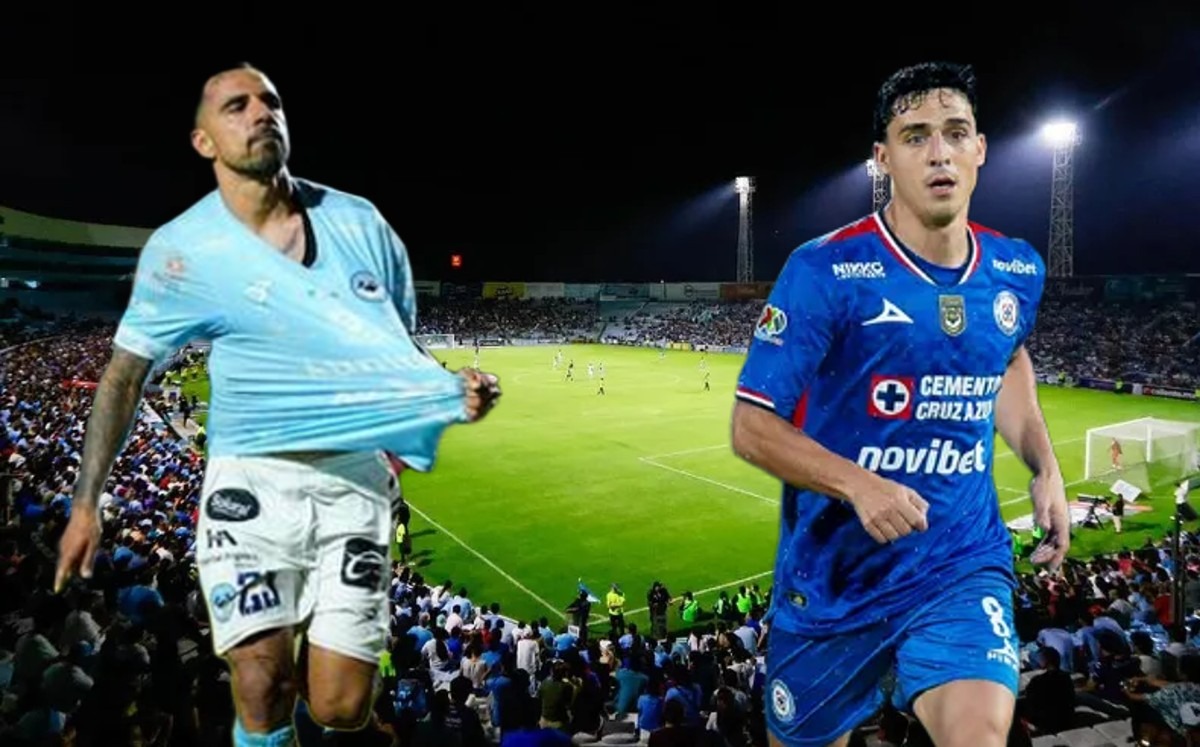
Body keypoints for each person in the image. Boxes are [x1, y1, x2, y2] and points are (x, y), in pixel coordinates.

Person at [53, 63, 501, 746]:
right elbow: (121, 376)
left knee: (341, 703)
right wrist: (88, 500)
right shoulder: (181, 250)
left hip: (351, 478)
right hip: (249, 482)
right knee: (262, 682)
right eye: (237, 105)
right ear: (204, 142)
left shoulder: (361, 223)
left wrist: (439, 400)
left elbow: (399, 355)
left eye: (271, 101)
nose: (261, 112)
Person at [730, 61, 1069, 747]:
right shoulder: (824, 270)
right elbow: (751, 426)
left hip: (958, 561)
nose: (939, 151)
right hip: (832, 586)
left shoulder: (1016, 269)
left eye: (955, 132)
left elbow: (1006, 358)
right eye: (915, 136)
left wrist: (1044, 463)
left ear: (980, 148)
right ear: (883, 159)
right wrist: (856, 483)